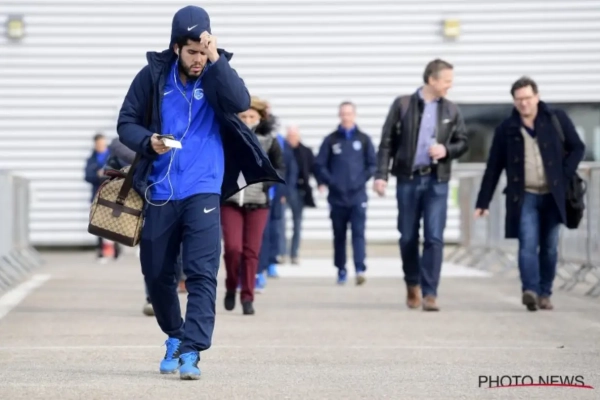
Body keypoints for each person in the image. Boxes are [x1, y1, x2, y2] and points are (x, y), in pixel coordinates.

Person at [116, 6, 282, 380]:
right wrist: (148, 140)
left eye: (203, 51)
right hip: (160, 189)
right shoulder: (152, 76)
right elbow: (126, 122)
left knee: (201, 272)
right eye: (191, 51)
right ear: (176, 48)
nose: (198, 59)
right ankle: (175, 335)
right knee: (156, 273)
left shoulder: (216, 73)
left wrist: (216, 57)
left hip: (204, 188)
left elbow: (240, 101)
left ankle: (192, 350)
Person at [474, 76, 585, 312]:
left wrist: (564, 173)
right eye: (519, 99)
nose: (524, 103)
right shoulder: (506, 129)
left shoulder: (556, 119)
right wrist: (483, 201)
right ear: (514, 101)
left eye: (527, 98)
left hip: (553, 196)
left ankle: (545, 292)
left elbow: (578, 147)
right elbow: (493, 167)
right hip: (525, 196)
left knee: (549, 247)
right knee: (527, 243)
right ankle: (530, 291)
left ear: (537, 96)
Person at [373, 59, 469, 312]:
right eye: (446, 81)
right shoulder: (402, 105)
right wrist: (381, 175)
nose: (450, 85)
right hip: (408, 179)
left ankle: (430, 293)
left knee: (434, 237)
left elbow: (463, 142)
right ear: (432, 80)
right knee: (407, 237)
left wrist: (446, 149)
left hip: (437, 181)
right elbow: (386, 143)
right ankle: (412, 283)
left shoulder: (451, 110)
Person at [221, 96, 285, 314]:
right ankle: (231, 286)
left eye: (251, 116)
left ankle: (247, 297)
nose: (248, 120)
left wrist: (265, 184)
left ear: (260, 117)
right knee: (233, 248)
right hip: (231, 201)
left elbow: (280, 168)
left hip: (258, 203)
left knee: (251, 251)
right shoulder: (228, 136)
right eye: (244, 116)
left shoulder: (269, 140)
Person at [314, 101, 376, 285]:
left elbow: (372, 164)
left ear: (354, 115)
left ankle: (360, 269)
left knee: (358, 233)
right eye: (343, 114)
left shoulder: (364, 139)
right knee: (339, 235)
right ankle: (341, 269)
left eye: (349, 113)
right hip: (337, 197)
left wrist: (360, 180)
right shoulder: (331, 140)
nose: (346, 117)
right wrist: (331, 181)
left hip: (358, 196)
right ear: (339, 115)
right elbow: (319, 165)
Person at [84, 132, 120, 263]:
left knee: (114, 224)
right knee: (98, 224)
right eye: (98, 143)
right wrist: (98, 175)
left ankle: (115, 250)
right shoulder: (91, 159)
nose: (101, 145)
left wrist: (105, 174)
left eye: (102, 143)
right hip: (97, 195)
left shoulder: (114, 157)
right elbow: (87, 176)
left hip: (112, 195)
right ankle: (101, 251)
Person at [286, 124, 316, 264]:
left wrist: (321, 183)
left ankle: (294, 253)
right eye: (290, 136)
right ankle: (280, 252)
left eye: (294, 136)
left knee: (297, 223)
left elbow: (314, 168)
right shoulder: (282, 150)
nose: (292, 139)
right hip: (285, 191)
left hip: (300, 191)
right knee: (280, 224)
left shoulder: (305, 151)